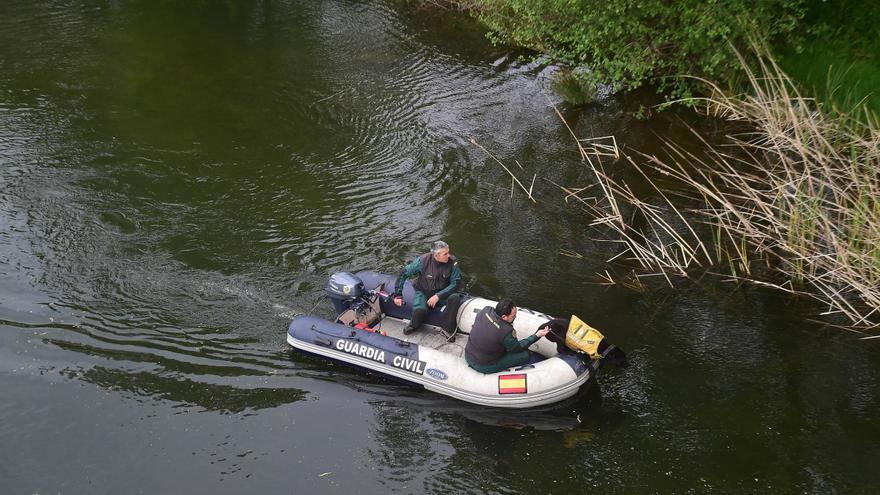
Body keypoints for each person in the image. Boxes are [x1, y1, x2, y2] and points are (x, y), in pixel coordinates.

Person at [392, 240, 462, 339]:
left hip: (442, 293)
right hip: (423, 291)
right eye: (445, 254)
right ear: (436, 255)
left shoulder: (452, 261)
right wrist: (398, 295)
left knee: (455, 298)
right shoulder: (422, 261)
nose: (448, 255)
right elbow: (404, 274)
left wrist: (438, 296)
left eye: (448, 252)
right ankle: (414, 325)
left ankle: (447, 329)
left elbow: (455, 283)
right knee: (419, 311)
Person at [465, 299, 550, 374]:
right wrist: (537, 335)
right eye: (513, 316)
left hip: (468, 355)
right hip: (484, 365)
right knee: (525, 354)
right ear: (504, 317)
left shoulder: (486, 310)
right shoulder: (506, 331)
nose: (515, 317)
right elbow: (517, 348)